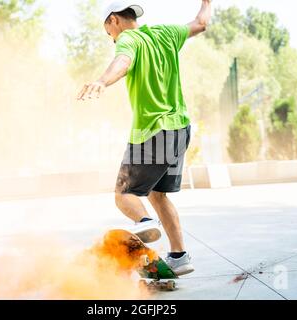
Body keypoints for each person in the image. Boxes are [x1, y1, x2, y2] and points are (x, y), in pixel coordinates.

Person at [77, 0, 212, 276]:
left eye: (108, 33)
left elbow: (122, 62)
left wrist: (102, 81)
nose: (112, 39)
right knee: (157, 194)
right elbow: (201, 23)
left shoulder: (128, 39)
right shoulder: (166, 33)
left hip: (152, 131)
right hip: (180, 131)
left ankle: (145, 222)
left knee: (123, 195)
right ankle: (179, 256)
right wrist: (207, 2)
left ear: (114, 20)